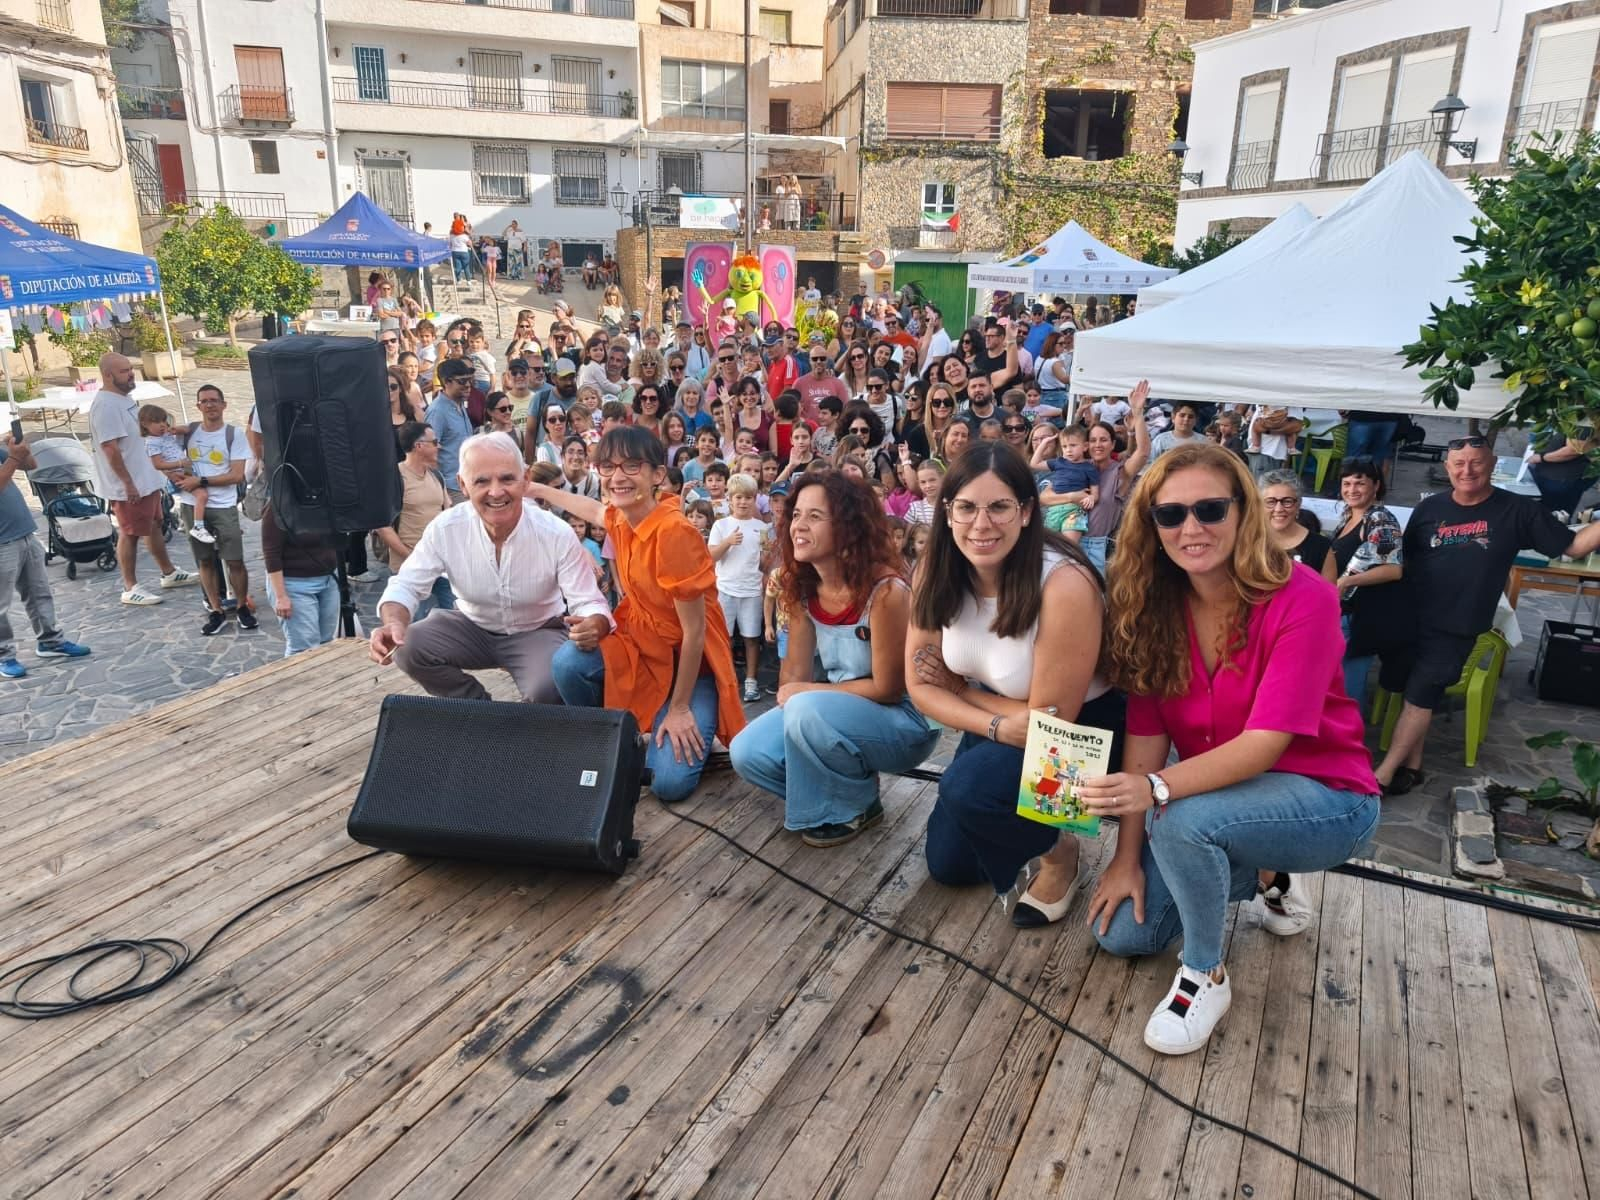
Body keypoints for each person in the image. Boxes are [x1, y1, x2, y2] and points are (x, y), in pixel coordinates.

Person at [1086, 442, 1380, 1056]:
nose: (1191, 528)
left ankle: (1204, 975)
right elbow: (1146, 738)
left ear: (1244, 511)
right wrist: (1123, 856)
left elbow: (1264, 747)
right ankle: (1260, 870)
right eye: (1170, 515)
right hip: (1219, 793)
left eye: (1210, 509)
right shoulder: (1149, 604)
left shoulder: (1303, 597)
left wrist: (1156, 791)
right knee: (1124, 937)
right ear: (1151, 526)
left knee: (1183, 814)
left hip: (1327, 798)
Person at [908, 442, 1125, 927]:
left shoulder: (1063, 584)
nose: (981, 524)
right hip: (1001, 719)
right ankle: (1030, 827)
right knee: (949, 866)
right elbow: (918, 684)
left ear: (1027, 512)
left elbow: (1050, 721)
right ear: (947, 512)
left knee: (966, 788)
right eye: (965, 507)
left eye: (999, 506)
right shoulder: (933, 571)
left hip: (1080, 732)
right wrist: (995, 723)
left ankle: (1058, 848)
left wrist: (961, 691)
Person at [1374, 435, 1600, 794]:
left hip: (1457, 624)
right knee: (1415, 692)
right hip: (1413, 617)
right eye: (1459, 463)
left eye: (1477, 462)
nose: (1467, 471)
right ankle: (1412, 768)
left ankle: (1382, 775)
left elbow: (1572, 546)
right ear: (1447, 467)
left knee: (1420, 694)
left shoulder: (1518, 511)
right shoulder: (1429, 508)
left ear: (1493, 465)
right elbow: (1404, 562)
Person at [536, 426, 747, 803]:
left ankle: (680, 718)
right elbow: (593, 510)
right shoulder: (624, 515)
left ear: (657, 475)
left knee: (669, 783)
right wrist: (534, 489)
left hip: (690, 668)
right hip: (644, 651)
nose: (618, 477)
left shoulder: (674, 532)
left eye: (632, 466)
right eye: (608, 466)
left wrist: (680, 709)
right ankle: (610, 741)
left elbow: (695, 635)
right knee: (569, 663)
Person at [731, 471, 938, 844]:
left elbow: (889, 689)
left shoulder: (886, 590)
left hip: (904, 722)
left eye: (814, 516)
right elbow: (791, 676)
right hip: (837, 709)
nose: (799, 526)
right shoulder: (804, 586)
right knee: (747, 752)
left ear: (847, 527)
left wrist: (805, 695)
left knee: (805, 708)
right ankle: (849, 793)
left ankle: (853, 806)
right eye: (796, 515)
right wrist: (799, 700)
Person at [371, 433, 612, 703]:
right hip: (471, 626)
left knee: (548, 687)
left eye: (507, 479)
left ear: (526, 479)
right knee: (407, 647)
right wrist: (393, 623)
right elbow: (406, 585)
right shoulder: (446, 527)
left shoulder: (555, 532)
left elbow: (588, 602)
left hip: (537, 630)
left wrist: (594, 623)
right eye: (482, 481)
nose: (496, 492)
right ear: (463, 485)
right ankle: (477, 708)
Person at [88, 352, 198, 605]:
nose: (130, 374)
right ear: (107, 374)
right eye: (124, 371)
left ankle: (168, 573)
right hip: (129, 485)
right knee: (130, 532)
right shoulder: (105, 406)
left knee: (154, 525)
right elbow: (110, 449)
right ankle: (130, 586)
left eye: (130, 369)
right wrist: (128, 484)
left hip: (146, 479)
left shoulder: (124, 400)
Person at [0, 434, 90, 678]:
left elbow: (30, 466)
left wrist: (20, 450)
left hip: (24, 533)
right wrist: (12, 458)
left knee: (39, 592)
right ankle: (4, 656)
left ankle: (50, 641)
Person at [179, 385, 258, 635]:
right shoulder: (188, 433)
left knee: (234, 559)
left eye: (214, 400)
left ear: (224, 405)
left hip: (222, 505)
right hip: (192, 505)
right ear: (198, 406)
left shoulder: (233, 435)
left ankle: (242, 604)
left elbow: (236, 475)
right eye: (204, 401)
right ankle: (216, 610)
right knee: (204, 560)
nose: (210, 405)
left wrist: (200, 482)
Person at [1328, 457, 1405, 709]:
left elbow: (1394, 569)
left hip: (1358, 617)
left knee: (1348, 689)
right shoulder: (1349, 516)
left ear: (1375, 485)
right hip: (1341, 613)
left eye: (1360, 483)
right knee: (1336, 684)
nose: (1352, 489)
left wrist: (1348, 581)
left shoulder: (1380, 518)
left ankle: (1348, 744)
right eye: (1346, 483)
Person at [376, 421, 454, 617]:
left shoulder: (436, 475)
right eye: (434, 442)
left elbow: (447, 511)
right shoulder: (394, 478)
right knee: (413, 627)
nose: (439, 446)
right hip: (409, 568)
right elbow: (382, 526)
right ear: (419, 446)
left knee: (456, 617)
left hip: (440, 564)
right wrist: (412, 556)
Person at [1081, 382, 1152, 574]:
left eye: (1103, 440)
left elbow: (1143, 452)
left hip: (1097, 548)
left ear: (1112, 444)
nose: (1098, 445)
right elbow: (1045, 497)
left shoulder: (1120, 472)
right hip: (1067, 542)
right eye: (1093, 440)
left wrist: (1137, 413)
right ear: (1086, 445)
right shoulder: (1078, 467)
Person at [709, 473, 768, 703]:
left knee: (751, 638)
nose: (743, 502)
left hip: (752, 591)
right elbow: (710, 556)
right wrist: (728, 542)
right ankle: (726, 678)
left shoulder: (761, 527)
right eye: (739, 497)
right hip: (725, 589)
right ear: (730, 499)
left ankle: (751, 681)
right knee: (725, 637)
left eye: (749, 498)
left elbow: (764, 560)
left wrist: (770, 559)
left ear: (755, 499)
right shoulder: (721, 525)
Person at [261, 498, 340, 656]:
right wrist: (281, 596)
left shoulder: (327, 499)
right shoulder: (279, 504)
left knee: (327, 642)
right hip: (294, 583)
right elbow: (271, 553)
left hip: (329, 578)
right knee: (303, 648)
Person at [1259, 470, 1336, 583]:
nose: (1279, 509)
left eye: (1287, 501)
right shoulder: (1247, 539)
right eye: (1271, 501)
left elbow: (1330, 596)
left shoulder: (1321, 547)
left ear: (1298, 504)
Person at [426, 358, 476, 504]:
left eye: (469, 380)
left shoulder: (459, 403)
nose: (468, 385)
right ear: (447, 382)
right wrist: (440, 491)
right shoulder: (437, 412)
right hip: (451, 489)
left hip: (467, 483)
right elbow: (429, 452)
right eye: (462, 381)